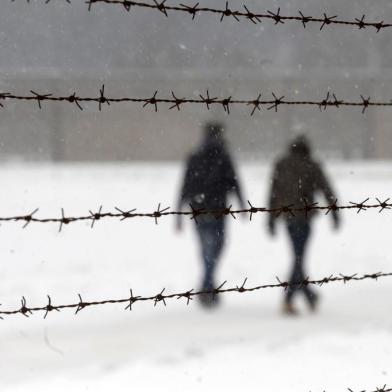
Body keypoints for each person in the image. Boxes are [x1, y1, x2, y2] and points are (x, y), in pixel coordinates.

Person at [267, 135, 340, 315]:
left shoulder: (281, 164)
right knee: (299, 257)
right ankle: (291, 298)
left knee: (298, 256)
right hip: (305, 216)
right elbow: (326, 188)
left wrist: (271, 218)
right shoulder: (311, 164)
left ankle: (307, 295)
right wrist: (335, 212)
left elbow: (273, 191)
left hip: (288, 216)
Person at [176, 121, 245, 308]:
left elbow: (185, 185)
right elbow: (234, 181)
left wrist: (179, 212)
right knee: (216, 247)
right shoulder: (222, 155)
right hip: (217, 210)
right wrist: (241, 202)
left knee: (207, 249)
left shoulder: (196, 155)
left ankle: (208, 285)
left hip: (198, 209)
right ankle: (208, 286)